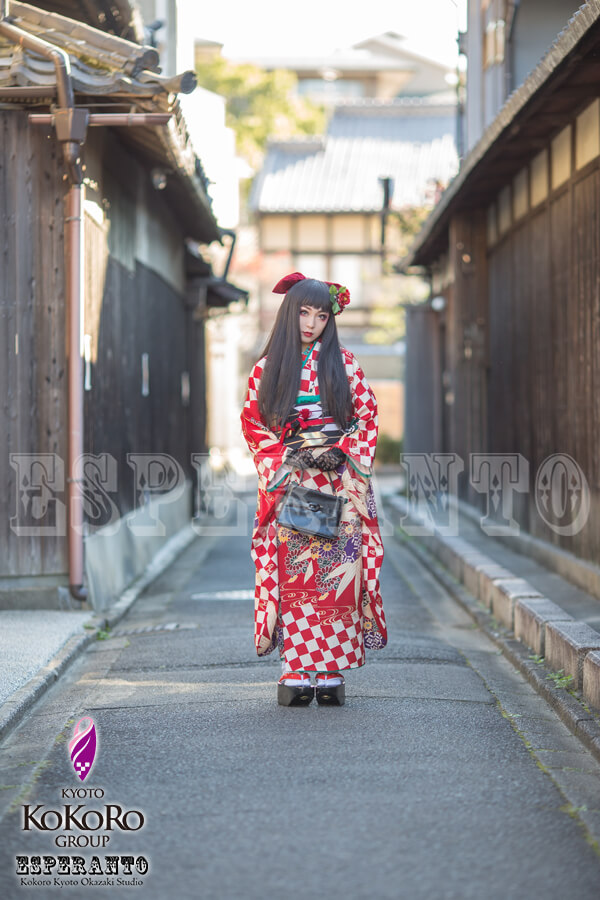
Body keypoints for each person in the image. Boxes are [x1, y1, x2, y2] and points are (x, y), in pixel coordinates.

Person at [240, 272, 387, 706]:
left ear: (330, 320)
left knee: (337, 578)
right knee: (296, 578)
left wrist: (342, 451)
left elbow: (367, 417)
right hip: (293, 483)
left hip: (339, 483)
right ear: (289, 313)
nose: (311, 323)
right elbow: (253, 423)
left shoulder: (346, 364)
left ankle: (330, 669)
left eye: (321, 315)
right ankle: (296, 669)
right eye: (303, 312)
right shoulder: (267, 368)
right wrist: (291, 458)